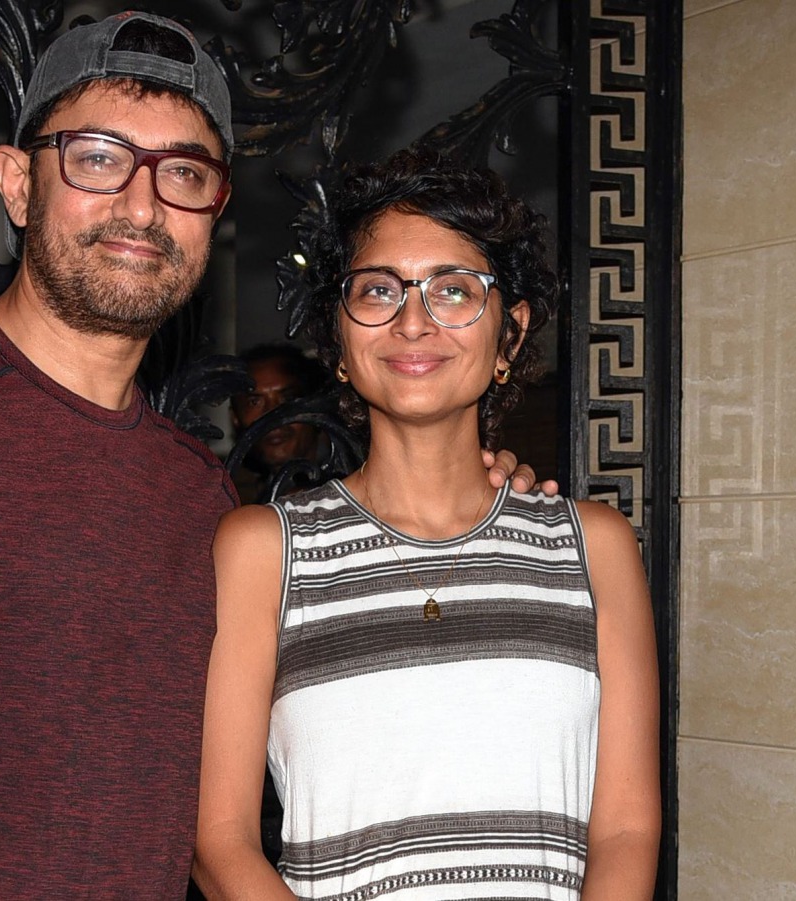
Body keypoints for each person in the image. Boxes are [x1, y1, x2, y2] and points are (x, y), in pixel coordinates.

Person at [0, 13, 543, 899]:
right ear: (19, 185)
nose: (142, 206)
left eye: (183, 173)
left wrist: (475, 506)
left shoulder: (201, 493)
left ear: (216, 213)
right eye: (98, 157)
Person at [193, 150, 660, 899]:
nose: (414, 320)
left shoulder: (593, 546)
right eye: (379, 290)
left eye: (453, 289)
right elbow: (219, 844)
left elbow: (627, 831)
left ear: (509, 336)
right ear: (339, 341)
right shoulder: (264, 551)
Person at [229, 342, 328, 503]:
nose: (272, 414)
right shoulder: (222, 496)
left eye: (287, 399)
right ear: (235, 418)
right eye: (255, 402)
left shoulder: (355, 483)